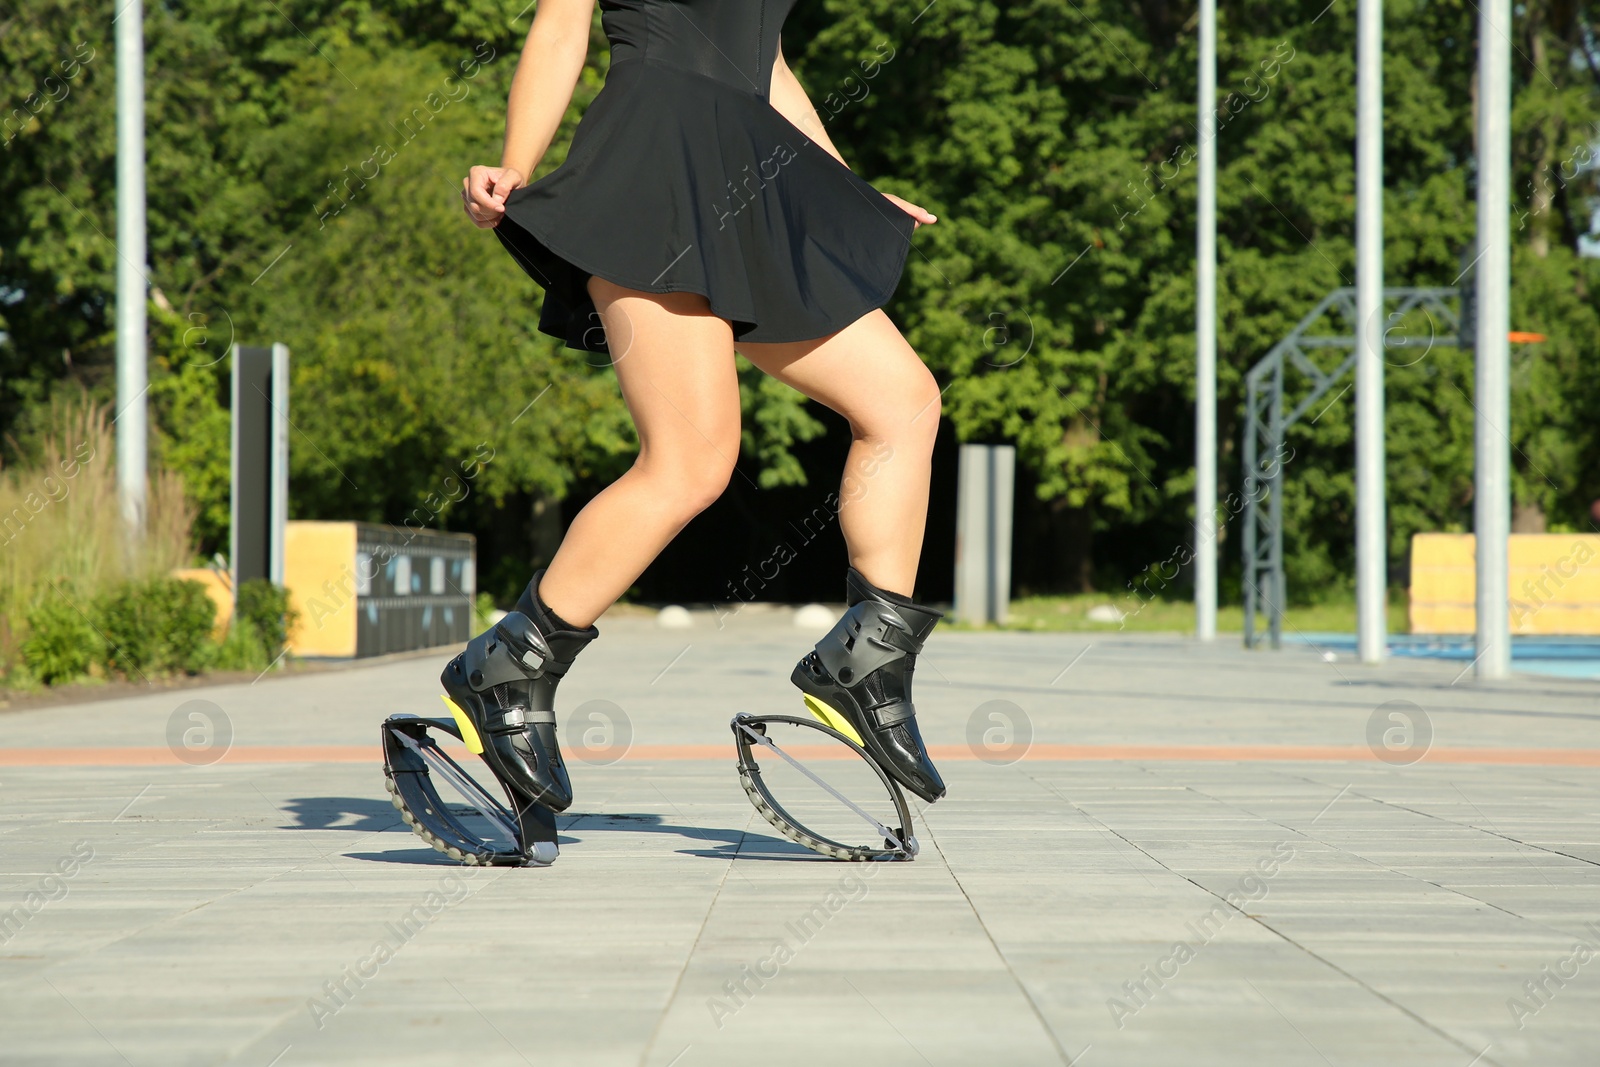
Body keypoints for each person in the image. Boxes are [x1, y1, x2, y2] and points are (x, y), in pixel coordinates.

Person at [446, 0, 948, 826]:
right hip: (651, 165)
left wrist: (845, 191)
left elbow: (770, 66)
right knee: (692, 461)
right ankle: (510, 664)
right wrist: (514, 163)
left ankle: (869, 663)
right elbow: (562, 24)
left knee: (905, 401)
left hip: (755, 170)